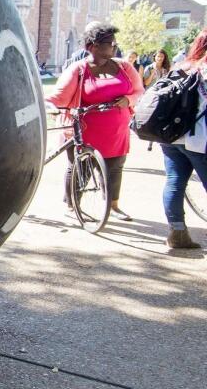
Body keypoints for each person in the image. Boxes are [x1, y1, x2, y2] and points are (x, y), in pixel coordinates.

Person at [47, 22, 145, 222]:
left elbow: (138, 90)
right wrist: (50, 107)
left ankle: (113, 205)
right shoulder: (79, 69)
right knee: (79, 169)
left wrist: (129, 100)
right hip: (85, 132)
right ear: (93, 46)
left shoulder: (124, 67)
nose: (114, 47)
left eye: (114, 43)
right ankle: (72, 204)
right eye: (109, 43)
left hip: (116, 132)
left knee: (115, 167)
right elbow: (59, 96)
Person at [159, 30, 207, 249]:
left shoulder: (181, 68)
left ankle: (177, 232)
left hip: (170, 135)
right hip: (199, 137)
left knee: (175, 181)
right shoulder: (203, 70)